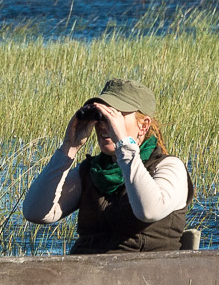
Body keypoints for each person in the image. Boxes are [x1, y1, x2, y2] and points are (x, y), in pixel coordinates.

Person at [21, 78, 194, 254]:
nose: (104, 125)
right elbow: (36, 212)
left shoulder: (169, 167)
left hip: (145, 277)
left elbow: (148, 211)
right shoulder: (91, 171)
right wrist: (68, 149)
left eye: (116, 116)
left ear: (143, 125)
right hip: (84, 277)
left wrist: (123, 145)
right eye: (101, 116)